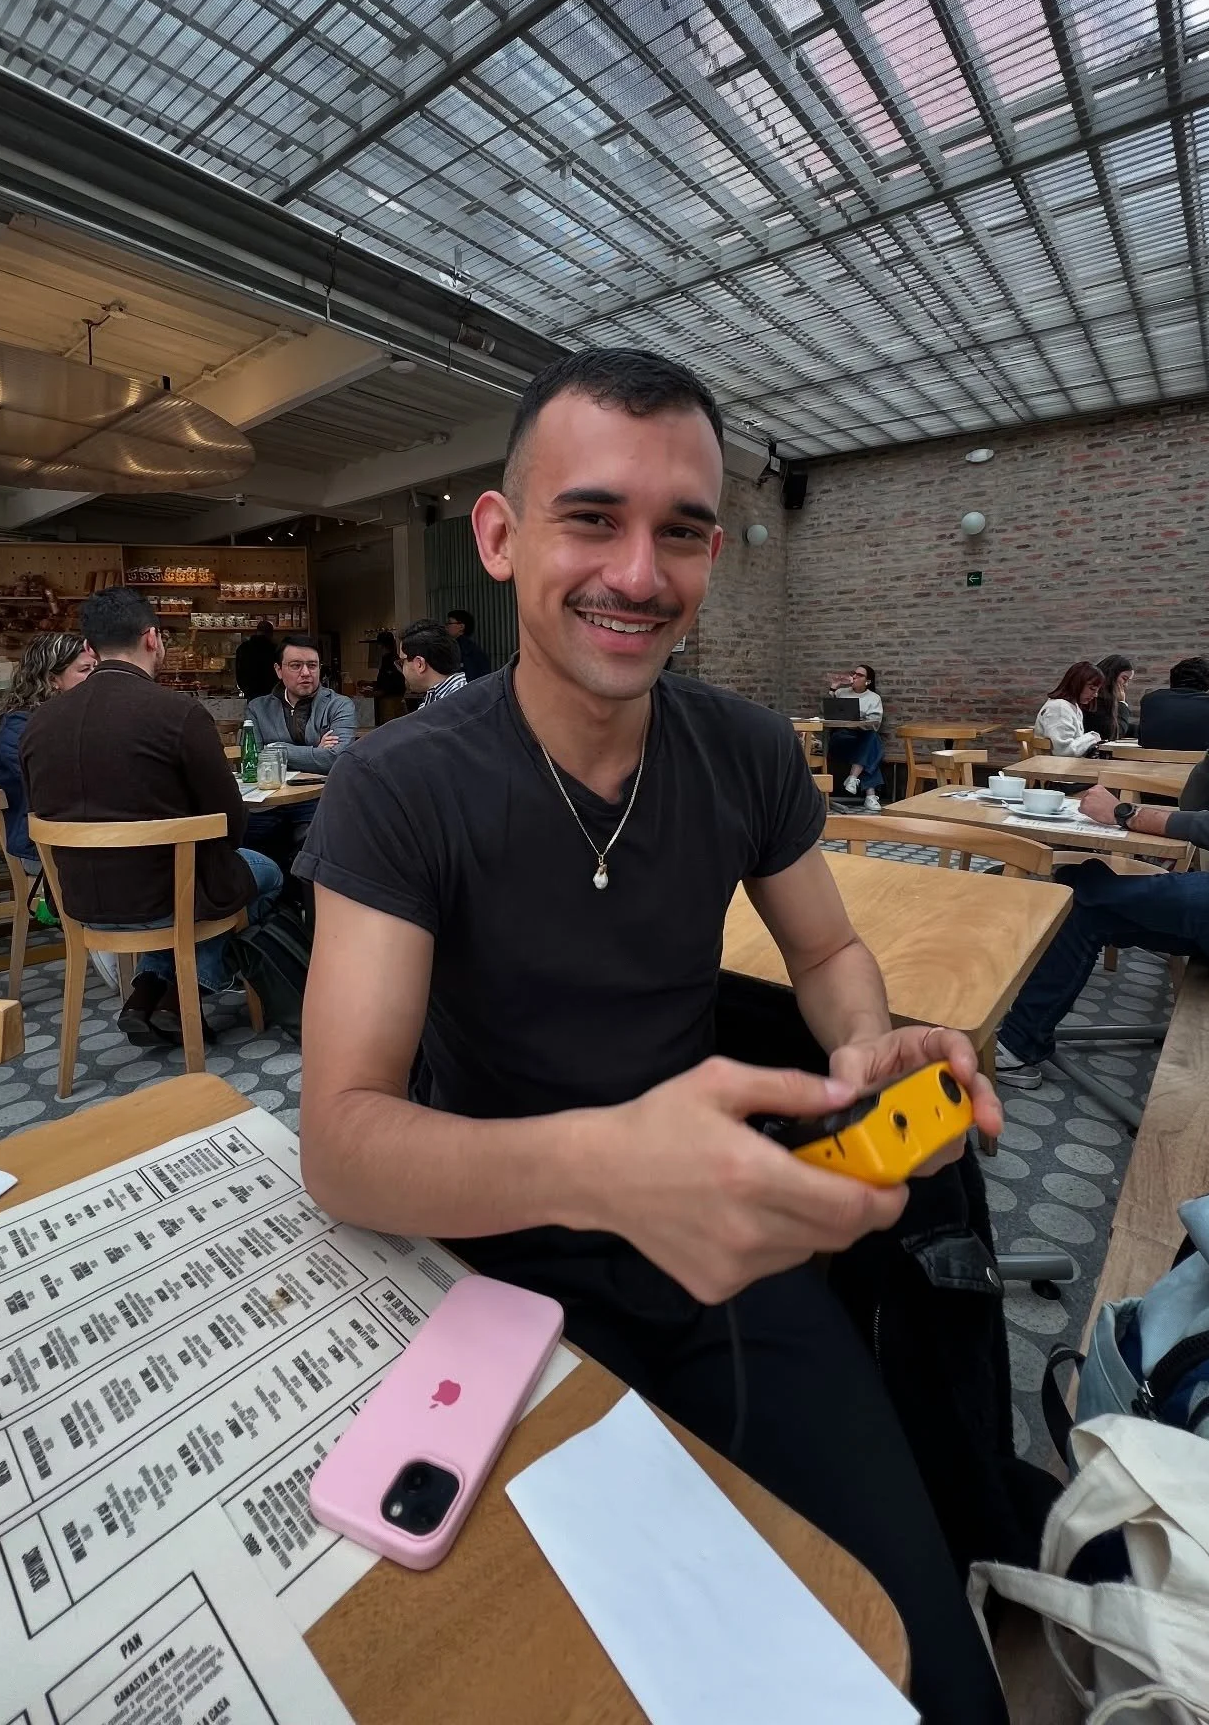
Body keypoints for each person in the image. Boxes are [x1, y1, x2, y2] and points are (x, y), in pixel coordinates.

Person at [295, 347, 1009, 1723]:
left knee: (923, 1668)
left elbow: (828, 951)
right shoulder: (398, 785)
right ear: (500, 537)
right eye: (591, 518)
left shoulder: (745, 751)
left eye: (679, 532)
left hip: (722, 1247)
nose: (638, 572)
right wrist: (608, 1166)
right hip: (485, 1262)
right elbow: (344, 1140)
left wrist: (865, 1044)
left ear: (712, 557)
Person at [996, 686, 1209, 1088]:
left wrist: (1126, 813)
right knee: (1083, 890)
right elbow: (1201, 804)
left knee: (1092, 893)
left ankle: (1017, 1044)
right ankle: (1020, 1039)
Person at [21, 588, 282, 1048]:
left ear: (90, 648)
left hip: (79, 902)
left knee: (187, 877)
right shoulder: (178, 714)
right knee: (267, 872)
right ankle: (185, 993)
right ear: (152, 638)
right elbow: (230, 822)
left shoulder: (39, 723)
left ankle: (145, 992)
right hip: (168, 899)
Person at [0, 632, 96, 867]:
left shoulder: (76, 718)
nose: (95, 677)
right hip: (45, 849)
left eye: (97, 668)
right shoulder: (20, 727)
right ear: (52, 679)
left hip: (83, 840)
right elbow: (61, 785)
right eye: (85, 669)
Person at [246, 635, 357, 772]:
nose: (305, 673)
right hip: (275, 785)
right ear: (279, 670)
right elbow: (252, 759)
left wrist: (275, 748)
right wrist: (317, 752)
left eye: (312, 665)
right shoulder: (258, 709)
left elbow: (337, 758)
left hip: (325, 785)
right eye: (296, 666)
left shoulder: (339, 705)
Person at [1136, 656, 1209, 750]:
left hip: (1150, 765)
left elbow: (1142, 739)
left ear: (1172, 680)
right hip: (1205, 765)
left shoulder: (1150, 701)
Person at [824, 664, 884, 813]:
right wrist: (833, 687)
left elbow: (875, 723)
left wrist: (858, 719)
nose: (855, 676)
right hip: (841, 738)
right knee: (873, 747)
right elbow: (826, 712)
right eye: (854, 673)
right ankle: (869, 794)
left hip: (861, 737)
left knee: (871, 738)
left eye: (860, 675)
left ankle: (854, 779)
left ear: (867, 681)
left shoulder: (874, 698)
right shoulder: (841, 693)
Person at [1033, 662, 1105, 754]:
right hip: (1053, 763)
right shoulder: (1059, 707)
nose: (1095, 695)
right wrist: (1092, 738)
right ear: (1076, 684)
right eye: (1092, 689)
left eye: (1097, 690)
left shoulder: (1072, 706)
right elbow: (1064, 751)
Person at [399, 619, 467, 707]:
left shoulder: (458, 701)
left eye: (402, 662)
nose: (402, 669)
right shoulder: (438, 695)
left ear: (420, 664)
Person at [1085, 653, 1136, 743]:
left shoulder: (1107, 699)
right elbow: (1114, 732)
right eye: (1124, 679)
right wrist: (1122, 704)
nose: (1125, 685)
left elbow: (1119, 725)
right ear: (1112, 675)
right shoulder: (1092, 699)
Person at [365, 631, 407, 724]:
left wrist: (375, 693)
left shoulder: (389, 660)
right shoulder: (394, 658)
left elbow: (390, 684)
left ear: (380, 645)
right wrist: (370, 683)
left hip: (390, 701)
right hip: (399, 698)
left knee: (390, 727)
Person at [234, 619, 277, 701]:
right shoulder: (274, 649)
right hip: (271, 692)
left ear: (257, 631)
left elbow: (238, 671)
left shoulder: (243, 648)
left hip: (250, 692)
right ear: (271, 633)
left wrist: (245, 689)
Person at [446, 608, 492, 682]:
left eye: (449, 623)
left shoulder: (468, 650)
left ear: (461, 627)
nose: (446, 626)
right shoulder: (454, 646)